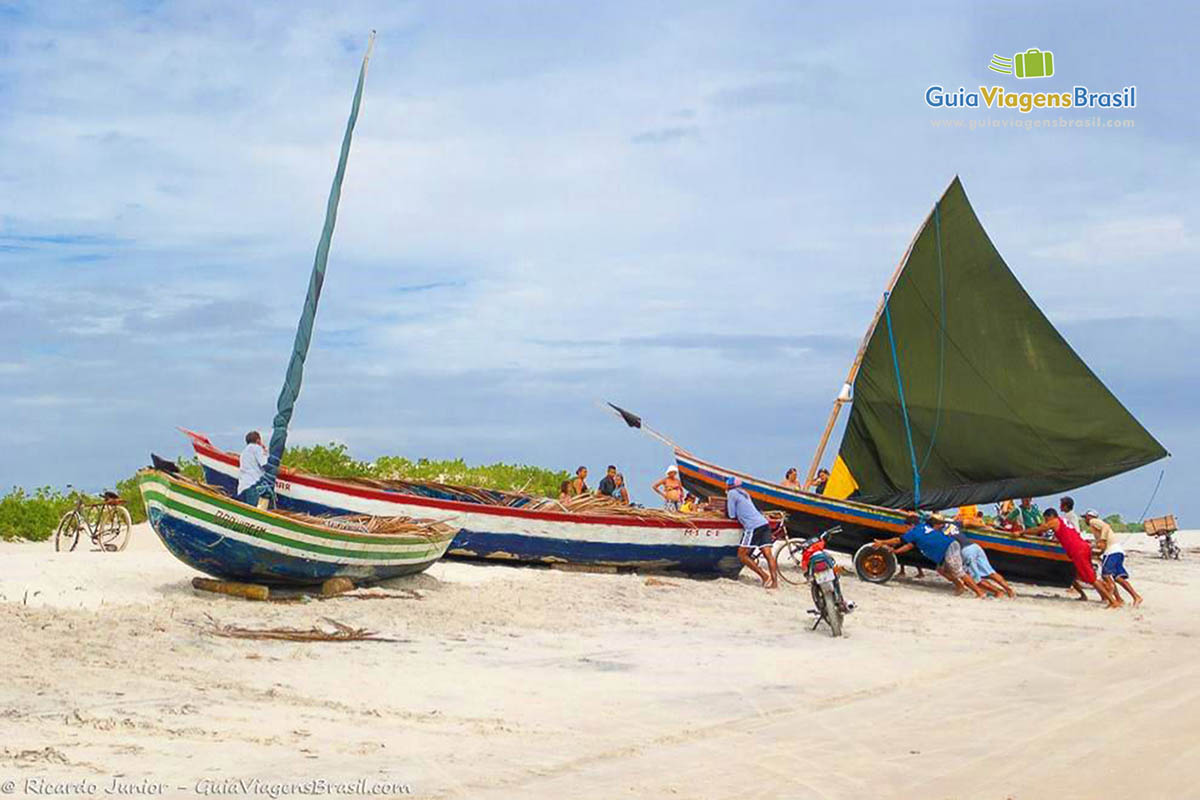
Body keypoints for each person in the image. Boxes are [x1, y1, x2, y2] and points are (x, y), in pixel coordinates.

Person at [1020, 509, 1120, 608]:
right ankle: (1093, 595)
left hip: (1078, 550)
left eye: (1046, 519)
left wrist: (1021, 533)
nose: (1046, 521)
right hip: (1082, 547)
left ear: (1050, 516)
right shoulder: (1064, 521)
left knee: (1091, 578)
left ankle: (1112, 601)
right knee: (1073, 573)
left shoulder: (1055, 521)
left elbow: (1039, 529)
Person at [875, 514, 986, 597]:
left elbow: (897, 540)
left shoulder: (914, 532)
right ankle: (960, 586)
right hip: (947, 548)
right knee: (941, 570)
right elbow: (909, 546)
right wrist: (895, 552)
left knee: (958, 571)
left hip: (948, 547)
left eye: (907, 527)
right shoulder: (921, 529)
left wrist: (882, 542)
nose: (906, 529)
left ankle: (979, 592)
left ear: (912, 525)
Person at [725, 476, 778, 588]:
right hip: (764, 523)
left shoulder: (732, 493)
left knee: (742, 555)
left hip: (753, 526)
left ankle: (764, 576)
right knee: (768, 555)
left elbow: (731, 514)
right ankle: (774, 583)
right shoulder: (744, 493)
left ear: (729, 486)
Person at [1084, 509, 1142, 607]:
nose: (1085, 520)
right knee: (1118, 578)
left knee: (1105, 575)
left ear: (1089, 516)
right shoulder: (1096, 528)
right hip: (1118, 551)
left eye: (1085, 517)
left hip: (1111, 552)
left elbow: (1106, 527)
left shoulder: (1093, 521)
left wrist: (1102, 540)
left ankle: (1114, 600)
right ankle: (1135, 597)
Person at [946, 524, 1014, 598]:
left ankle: (998, 592)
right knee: (991, 572)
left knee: (974, 578)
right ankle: (1009, 590)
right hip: (974, 546)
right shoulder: (952, 524)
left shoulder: (939, 532)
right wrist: (986, 526)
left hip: (965, 551)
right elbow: (970, 522)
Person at [237, 431, 270, 505]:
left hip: (242, 487)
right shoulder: (256, 448)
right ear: (258, 440)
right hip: (253, 486)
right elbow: (265, 465)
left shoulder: (243, 453)